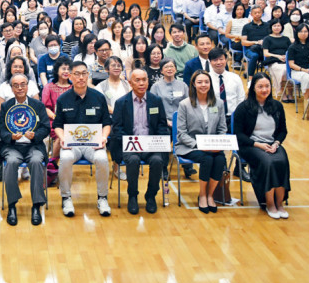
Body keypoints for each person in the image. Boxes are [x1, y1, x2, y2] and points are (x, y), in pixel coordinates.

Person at [53, 61, 112, 217]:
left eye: (84, 73)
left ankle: (102, 197)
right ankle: (66, 197)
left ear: (88, 75)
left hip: (94, 144)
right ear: (70, 76)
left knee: (102, 159)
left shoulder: (98, 97)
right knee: (65, 159)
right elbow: (57, 125)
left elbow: (107, 123)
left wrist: (104, 137)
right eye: (77, 74)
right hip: (72, 145)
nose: (81, 77)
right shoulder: (63, 99)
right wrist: (62, 137)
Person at [109, 68, 168, 215]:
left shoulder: (156, 101)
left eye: (144, 80)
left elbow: (161, 125)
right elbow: (117, 129)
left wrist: (159, 142)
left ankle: (151, 195)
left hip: (151, 145)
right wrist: (131, 142)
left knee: (157, 161)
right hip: (131, 145)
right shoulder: (121, 103)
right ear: (130, 83)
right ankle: (133, 195)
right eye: (137, 80)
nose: (141, 83)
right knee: (133, 160)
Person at [234, 73, 290, 219]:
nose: (264, 89)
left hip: (273, 144)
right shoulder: (244, 107)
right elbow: (238, 134)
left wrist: (276, 144)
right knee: (268, 162)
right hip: (251, 145)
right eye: (260, 87)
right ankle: (269, 203)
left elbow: (283, 130)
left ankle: (280, 203)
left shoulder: (277, 106)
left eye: (267, 86)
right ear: (253, 88)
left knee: (282, 161)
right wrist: (259, 145)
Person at [0, 73, 51, 226]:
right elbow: (1, 129)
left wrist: (35, 135)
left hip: (33, 145)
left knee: (36, 161)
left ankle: (36, 205)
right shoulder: (6, 106)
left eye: (23, 84)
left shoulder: (38, 105)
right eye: (16, 85)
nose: (20, 88)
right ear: (11, 88)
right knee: (12, 162)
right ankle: (12, 205)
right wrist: (10, 137)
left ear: (28, 86)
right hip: (12, 146)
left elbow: (46, 128)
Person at [175, 70, 227, 214]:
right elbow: (181, 133)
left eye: (206, 82)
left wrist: (218, 143)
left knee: (220, 159)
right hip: (190, 146)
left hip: (213, 145)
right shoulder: (184, 104)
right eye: (200, 82)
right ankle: (202, 195)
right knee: (207, 159)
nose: (203, 85)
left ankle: (210, 195)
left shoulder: (219, 103)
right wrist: (200, 146)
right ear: (193, 84)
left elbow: (222, 128)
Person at [262, 19, 292, 101]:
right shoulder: (267, 39)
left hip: (286, 60)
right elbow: (266, 53)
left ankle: (290, 92)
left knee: (290, 69)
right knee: (283, 71)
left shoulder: (286, 39)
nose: (276, 27)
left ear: (282, 27)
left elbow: (291, 51)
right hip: (273, 61)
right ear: (271, 27)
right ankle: (282, 92)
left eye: (278, 26)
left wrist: (286, 56)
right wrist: (278, 56)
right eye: (274, 26)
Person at [287, 24, 309, 101]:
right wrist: (304, 70)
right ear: (297, 33)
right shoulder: (292, 47)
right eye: (301, 31)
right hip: (297, 71)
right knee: (306, 77)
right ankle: (307, 100)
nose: (303, 33)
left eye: (305, 31)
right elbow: (291, 64)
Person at [242, 5, 270, 82]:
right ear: (251, 14)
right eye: (255, 13)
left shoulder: (267, 25)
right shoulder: (246, 26)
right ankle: (250, 80)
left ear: (262, 13)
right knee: (254, 55)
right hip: (251, 49)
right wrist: (256, 42)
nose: (257, 14)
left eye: (259, 12)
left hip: (264, 49)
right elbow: (243, 42)